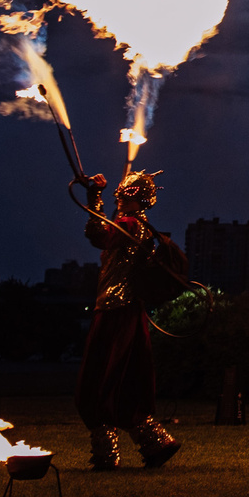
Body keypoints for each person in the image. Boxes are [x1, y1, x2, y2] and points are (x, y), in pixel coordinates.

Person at [74, 169, 182, 470]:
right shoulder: (137, 226)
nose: (119, 196)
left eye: (126, 193)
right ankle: (156, 443)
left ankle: (108, 454)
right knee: (125, 380)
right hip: (123, 312)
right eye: (119, 192)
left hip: (117, 312)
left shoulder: (132, 225)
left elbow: (97, 234)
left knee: (99, 382)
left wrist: (94, 195)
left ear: (139, 198)